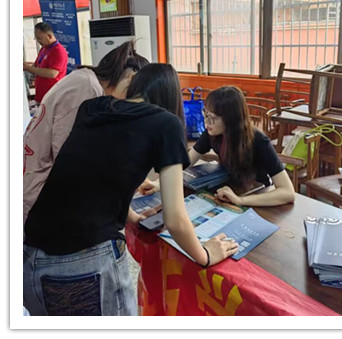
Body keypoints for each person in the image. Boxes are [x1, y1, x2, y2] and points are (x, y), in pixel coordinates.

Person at [23, 64, 238, 316]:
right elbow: (175, 219)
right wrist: (205, 255)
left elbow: (94, 176)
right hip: (82, 266)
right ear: (171, 95)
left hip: (29, 257)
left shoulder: (92, 108)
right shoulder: (166, 123)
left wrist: (133, 217)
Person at [23, 41, 149, 225]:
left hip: (47, 191)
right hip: (41, 200)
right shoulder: (87, 90)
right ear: (130, 78)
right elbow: (73, 163)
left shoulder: (86, 81)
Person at [188, 86, 296, 207]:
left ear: (231, 119)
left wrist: (240, 200)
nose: (206, 122)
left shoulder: (259, 140)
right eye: (206, 114)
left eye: (213, 118)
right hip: (230, 190)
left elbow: (288, 193)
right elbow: (187, 161)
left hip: (257, 195)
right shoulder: (212, 133)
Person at [23, 22, 68, 103]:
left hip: (52, 96)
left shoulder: (58, 51)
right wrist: (26, 66)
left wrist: (29, 68)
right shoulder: (44, 49)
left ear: (49, 36)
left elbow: (52, 73)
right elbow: (37, 65)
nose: (38, 41)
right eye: (36, 38)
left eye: (40, 39)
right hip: (41, 95)